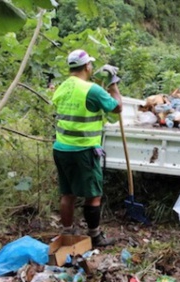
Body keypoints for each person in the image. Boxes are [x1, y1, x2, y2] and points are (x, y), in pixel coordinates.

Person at [52, 49, 122, 247]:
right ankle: (95, 236)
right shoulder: (91, 89)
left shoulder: (62, 87)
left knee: (68, 194)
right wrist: (113, 83)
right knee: (93, 194)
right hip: (83, 150)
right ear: (87, 66)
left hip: (61, 148)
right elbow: (117, 107)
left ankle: (67, 233)